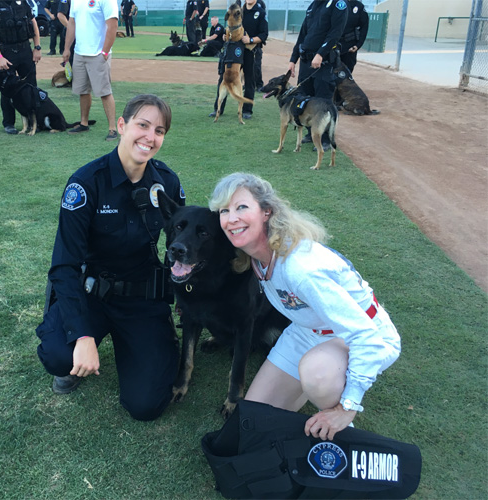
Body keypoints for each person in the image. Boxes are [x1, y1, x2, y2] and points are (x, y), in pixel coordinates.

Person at [208, 172, 401, 441]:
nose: (232, 218)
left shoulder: (301, 268)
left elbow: (365, 336)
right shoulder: (255, 255)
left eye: (242, 207)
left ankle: (342, 428)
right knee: (253, 423)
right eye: (224, 210)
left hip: (363, 335)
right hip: (308, 330)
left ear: (266, 212)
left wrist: (348, 407)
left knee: (317, 374)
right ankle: (314, 388)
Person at [36, 94, 185, 421]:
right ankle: (75, 356)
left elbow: (181, 248)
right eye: (142, 125)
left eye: (159, 131)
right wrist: (82, 335)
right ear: (122, 125)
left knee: (146, 405)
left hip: (142, 296)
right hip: (92, 293)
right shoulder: (87, 184)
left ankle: (147, 344)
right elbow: (64, 266)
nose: (150, 137)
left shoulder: (168, 183)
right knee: (59, 354)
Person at [288, 0, 348, 149]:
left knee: (322, 101)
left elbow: (335, 32)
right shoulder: (313, 5)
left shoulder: (338, 4)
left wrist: (321, 53)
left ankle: (326, 139)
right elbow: (302, 35)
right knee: (305, 98)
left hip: (324, 62)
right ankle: (311, 132)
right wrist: (293, 60)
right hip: (306, 61)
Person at [62, 0, 119, 141]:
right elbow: (72, 23)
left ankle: (112, 128)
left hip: (98, 53)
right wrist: (67, 48)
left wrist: (105, 52)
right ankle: (84, 123)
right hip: (80, 52)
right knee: (83, 90)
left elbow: (112, 26)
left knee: (104, 91)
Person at [0, 0, 42, 135]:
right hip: (5, 51)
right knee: (6, 88)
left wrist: (37, 47)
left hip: (24, 49)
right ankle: (9, 123)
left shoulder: (24, 2)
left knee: (31, 87)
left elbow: (33, 23)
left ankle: (34, 122)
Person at [209, 0, 267, 120]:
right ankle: (218, 108)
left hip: (249, 50)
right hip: (234, 49)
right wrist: (225, 36)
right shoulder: (238, 10)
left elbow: (264, 34)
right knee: (224, 77)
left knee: (249, 78)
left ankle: (247, 110)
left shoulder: (260, 12)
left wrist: (250, 40)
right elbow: (230, 27)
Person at [339, 0, 369, 73]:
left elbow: (364, 27)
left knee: (346, 74)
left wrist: (358, 45)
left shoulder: (359, 6)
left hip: (350, 46)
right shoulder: (336, 4)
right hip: (334, 45)